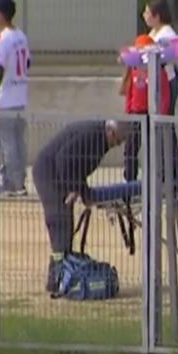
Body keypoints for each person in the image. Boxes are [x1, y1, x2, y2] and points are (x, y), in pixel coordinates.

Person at [33, 120, 136, 292]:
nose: (117, 145)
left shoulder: (99, 139)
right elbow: (63, 159)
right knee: (59, 221)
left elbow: (77, 164)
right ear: (110, 132)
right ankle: (57, 278)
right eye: (117, 141)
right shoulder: (93, 136)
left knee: (65, 224)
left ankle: (62, 274)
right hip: (48, 173)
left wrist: (82, 191)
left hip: (59, 173)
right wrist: (74, 188)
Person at [0, 0, 30, 197]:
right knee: (18, 141)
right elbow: (26, 64)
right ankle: (19, 180)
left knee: (7, 143)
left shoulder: (3, 40)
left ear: (0, 15)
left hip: (5, 99)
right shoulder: (21, 36)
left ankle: (11, 183)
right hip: (19, 96)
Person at [120, 34, 171, 182]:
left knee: (151, 150)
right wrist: (128, 111)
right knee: (130, 150)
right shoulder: (133, 70)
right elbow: (129, 93)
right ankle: (129, 181)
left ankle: (151, 181)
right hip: (136, 114)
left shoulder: (158, 71)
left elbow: (164, 95)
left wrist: (161, 114)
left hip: (151, 114)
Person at [143, 0, 178, 115]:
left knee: (166, 119)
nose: (144, 15)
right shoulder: (153, 32)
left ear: (157, 16)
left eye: (147, 12)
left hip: (166, 82)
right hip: (154, 80)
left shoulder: (167, 35)